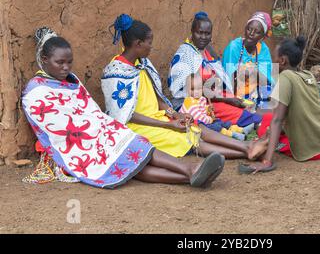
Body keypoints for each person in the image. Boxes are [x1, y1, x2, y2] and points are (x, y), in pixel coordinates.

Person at [22, 27, 226, 189]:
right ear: (45, 60)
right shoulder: (35, 91)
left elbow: (90, 110)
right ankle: (190, 172)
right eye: (60, 63)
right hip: (78, 144)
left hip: (99, 130)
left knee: (136, 144)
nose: (66, 68)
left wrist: (101, 127)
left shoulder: (71, 80)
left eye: (69, 62)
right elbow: (55, 126)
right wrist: (91, 132)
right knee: (127, 164)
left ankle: (191, 171)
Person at [102, 14, 268, 160]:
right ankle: (246, 151)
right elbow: (125, 114)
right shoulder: (116, 72)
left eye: (207, 33)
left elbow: (158, 98)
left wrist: (175, 115)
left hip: (161, 116)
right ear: (138, 44)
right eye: (149, 43)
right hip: (138, 125)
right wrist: (168, 124)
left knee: (197, 127)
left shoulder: (142, 63)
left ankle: (246, 146)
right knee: (188, 138)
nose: (151, 47)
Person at [240, 36, 320, 174]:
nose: (273, 62)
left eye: (274, 58)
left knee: (266, 126)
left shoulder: (285, 78)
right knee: (269, 120)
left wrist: (267, 161)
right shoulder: (308, 75)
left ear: (282, 60)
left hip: (311, 150)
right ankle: (264, 141)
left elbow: (277, 120)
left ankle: (262, 145)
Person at [168, 11, 262, 129]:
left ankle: (249, 121)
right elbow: (192, 91)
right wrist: (227, 99)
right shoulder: (185, 54)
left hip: (210, 97)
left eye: (207, 34)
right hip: (192, 102)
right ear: (192, 32)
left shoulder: (206, 51)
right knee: (234, 111)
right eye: (199, 33)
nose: (203, 37)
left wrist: (227, 97)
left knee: (240, 104)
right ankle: (255, 123)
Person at [222, 11, 274, 110]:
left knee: (268, 91)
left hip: (255, 92)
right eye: (249, 29)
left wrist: (251, 72)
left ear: (262, 37)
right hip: (235, 93)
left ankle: (262, 117)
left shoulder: (263, 50)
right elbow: (228, 78)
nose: (251, 33)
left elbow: (267, 79)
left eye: (257, 32)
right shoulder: (234, 47)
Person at [179, 73, 250, 141]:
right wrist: (210, 119)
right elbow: (198, 116)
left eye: (199, 89)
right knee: (215, 126)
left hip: (203, 121)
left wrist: (208, 109)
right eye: (193, 89)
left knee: (219, 121)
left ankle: (240, 130)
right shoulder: (189, 101)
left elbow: (202, 110)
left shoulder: (200, 98)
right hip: (194, 125)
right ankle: (232, 134)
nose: (197, 92)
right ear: (187, 90)